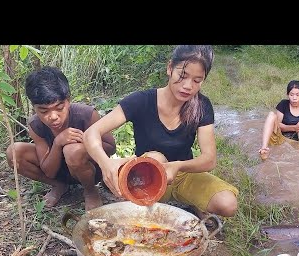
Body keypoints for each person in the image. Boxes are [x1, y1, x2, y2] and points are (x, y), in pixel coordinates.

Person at [83, 45, 238, 218]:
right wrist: (105, 163)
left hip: (183, 174)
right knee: (155, 159)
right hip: (147, 177)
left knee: (228, 204)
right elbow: (91, 133)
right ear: (170, 68)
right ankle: (148, 201)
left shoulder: (202, 106)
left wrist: (176, 166)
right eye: (183, 75)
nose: (188, 86)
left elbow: (209, 160)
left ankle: (192, 201)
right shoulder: (141, 101)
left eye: (197, 80)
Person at [6, 66, 116, 211]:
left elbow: (111, 148)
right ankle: (59, 185)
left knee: (73, 150)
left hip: (90, 170)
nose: (53, 117)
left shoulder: (86, 115)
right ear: (34, 108)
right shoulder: (36, 125)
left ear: (68, 100)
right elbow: (48, 171)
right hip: (58, 171)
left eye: (59, 108)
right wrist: (58, 143)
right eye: (44, 111)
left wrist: (86, 144)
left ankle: (90, 191)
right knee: (14, 152)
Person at [258, 80, 299, 160]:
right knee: (271, 115)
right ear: (287, 95)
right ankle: (264, 149)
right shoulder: (283, 104)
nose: (294, 98)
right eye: (291, 95)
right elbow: (278, 125)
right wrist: (294, 128)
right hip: (279, 137)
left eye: (298, 95)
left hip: (294, 141)